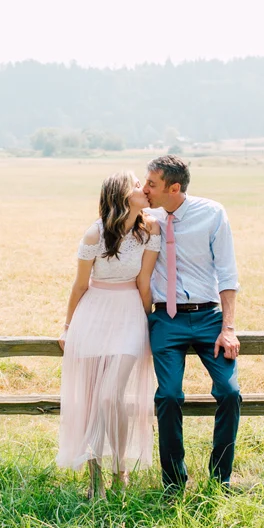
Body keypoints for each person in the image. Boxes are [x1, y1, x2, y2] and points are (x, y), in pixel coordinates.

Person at [57, 171, 161, 498]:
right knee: (91, 402)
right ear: (121, 194)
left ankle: (120, 470)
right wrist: (68, 327)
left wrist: (150, 323)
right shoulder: (95, 234)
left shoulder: (149, 230)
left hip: (129, 316)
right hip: (93, 317)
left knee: (110, 396)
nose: (143, 189)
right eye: (136, 185)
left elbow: (144, 283)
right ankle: (95, 481)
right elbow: (79, 286)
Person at [143, 155, 241, 493]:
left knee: (230, 392)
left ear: (174, 188)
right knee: (168, 396)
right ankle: (173, 483)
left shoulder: (212, 213)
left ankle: (221, 478)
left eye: (152, 184)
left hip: (208, 317)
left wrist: (228, 328)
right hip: (165, 319)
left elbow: (227, 273)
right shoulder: (147, 217)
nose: (146, 189)